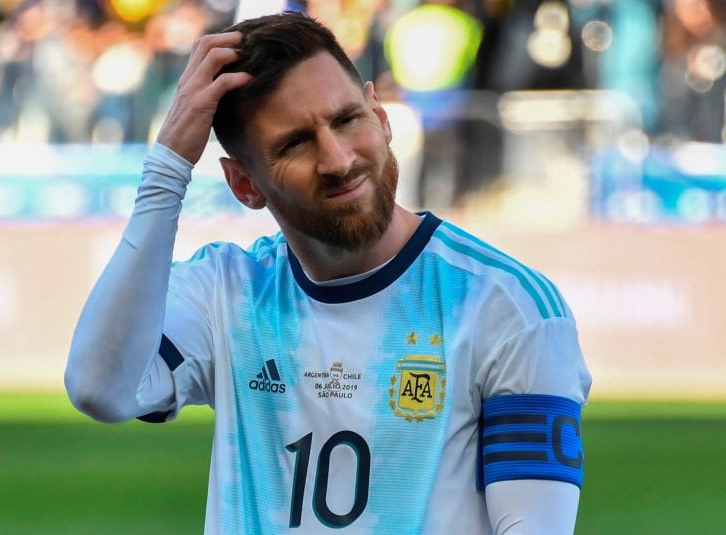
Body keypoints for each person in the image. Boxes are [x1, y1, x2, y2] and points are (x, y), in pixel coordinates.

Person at [65, 11, 591, 534]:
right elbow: (100, 389)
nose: (337, 159)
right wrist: (167, 171)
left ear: (381, 118)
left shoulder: (508, 308)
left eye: (346, 120)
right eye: (295, 143)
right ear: (244, 184)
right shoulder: (225, 292)